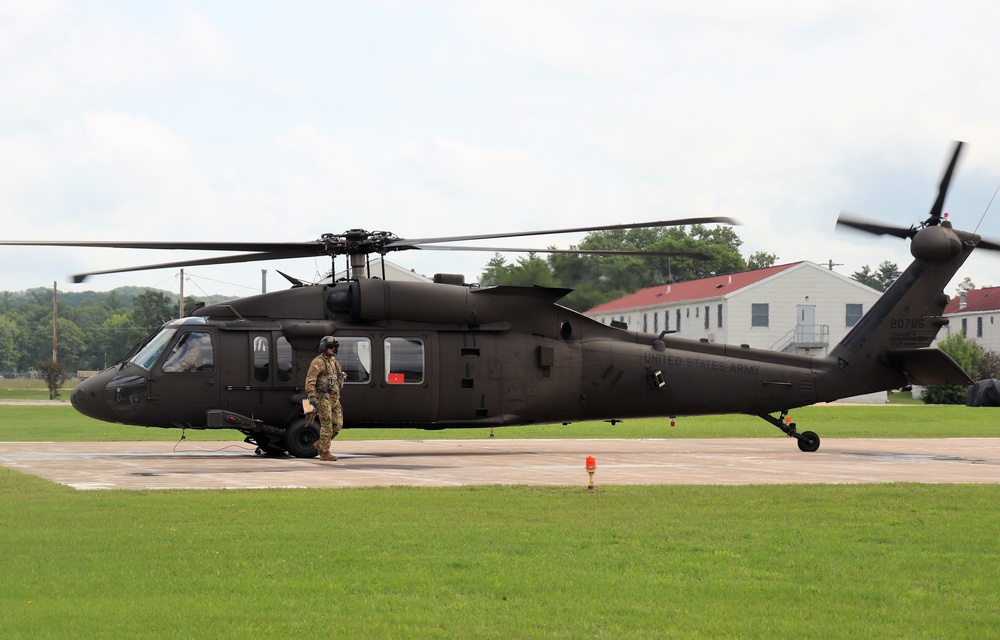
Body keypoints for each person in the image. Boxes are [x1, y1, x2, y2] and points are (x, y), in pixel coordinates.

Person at [304, 336, 346, 461]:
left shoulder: (334, 361)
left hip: (334, 398)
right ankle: (324, 452)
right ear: (324, 348)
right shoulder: (318, 362)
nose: (333, 349)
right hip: (323, 398)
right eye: (331, 347)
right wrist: (311, 396)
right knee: (326, 425)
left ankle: (320, 444)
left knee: (337, 425)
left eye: (335, 347)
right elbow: (310, 380)